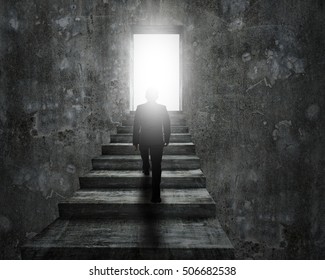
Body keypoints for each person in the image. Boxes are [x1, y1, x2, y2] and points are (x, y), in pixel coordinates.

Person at [133, 88, 171, 203]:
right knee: (156, 166)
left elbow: (136, 126)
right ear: (157, 96)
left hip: (144, 138)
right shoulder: (162, 108)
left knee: (146, 158)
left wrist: (135, 141)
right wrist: (167, 138)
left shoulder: (140, 108)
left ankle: (145, 167)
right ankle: (156, 195)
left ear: (146, 96)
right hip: (157, 139)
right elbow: (167, 125)